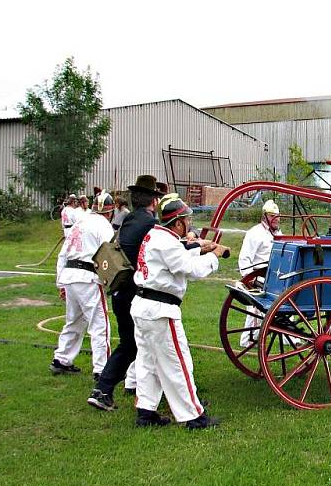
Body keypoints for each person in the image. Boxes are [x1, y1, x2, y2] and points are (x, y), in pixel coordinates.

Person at [131, 194, 228, 428]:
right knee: (177, 363)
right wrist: (214, 256)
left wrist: (199, 247)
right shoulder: (166, 242)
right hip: (160, 311)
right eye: (186, 220)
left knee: (148, 362)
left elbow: (178, 252)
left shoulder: (155, 235)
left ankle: (146, 412)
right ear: (177, 223)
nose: (189, 224)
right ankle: (193, 416)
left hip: (143, 307)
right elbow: (188, 267)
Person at [87, 175, 164, 411]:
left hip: (120, 291)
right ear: (153, 201)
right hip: (134, 293)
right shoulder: (149, 225)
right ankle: (174, 395)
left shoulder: (130, 220)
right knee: (154, 344)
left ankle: (105, 390)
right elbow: (164, 250)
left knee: (130, 345)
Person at [50, 192, 116, 379]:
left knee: (74, 321)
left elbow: (62, 255)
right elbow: (110, 252)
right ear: (110, 212)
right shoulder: (103, 225)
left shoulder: (80, 223)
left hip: (70, 275)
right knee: (99, 324)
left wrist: (60, 282)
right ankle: (102, 369)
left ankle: (62, 359)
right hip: (88, 278)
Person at [237, 199, 281, 347]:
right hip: (258, 278)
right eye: (272, 215)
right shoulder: (254, 233)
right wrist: (249, 279)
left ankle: (289, 338)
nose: (276, 219)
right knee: (254, 310)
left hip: (276, 277)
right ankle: (248, 340)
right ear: (264, 216)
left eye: (278, 215)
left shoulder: (278, 233)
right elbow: (245, 258)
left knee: (288, 300)